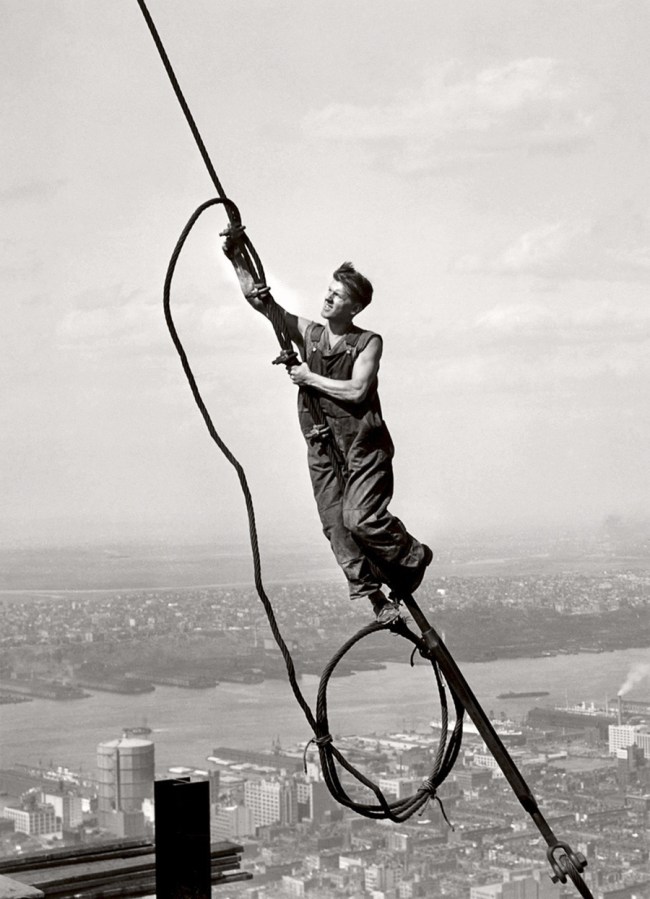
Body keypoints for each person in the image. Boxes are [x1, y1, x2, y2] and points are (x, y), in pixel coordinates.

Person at [223, 233, 432, 622]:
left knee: (360, 519)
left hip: (363, 447)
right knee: (336, 525)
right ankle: (377, 601)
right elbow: (263, 303)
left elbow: (357, 390)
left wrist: (308, 378)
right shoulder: (312, 336)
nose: (328, 298)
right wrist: (236, 258)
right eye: (329, 290)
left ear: (355, 306)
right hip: (321, 444)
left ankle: (412, 557)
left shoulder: (367, 342)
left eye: (338, 295)